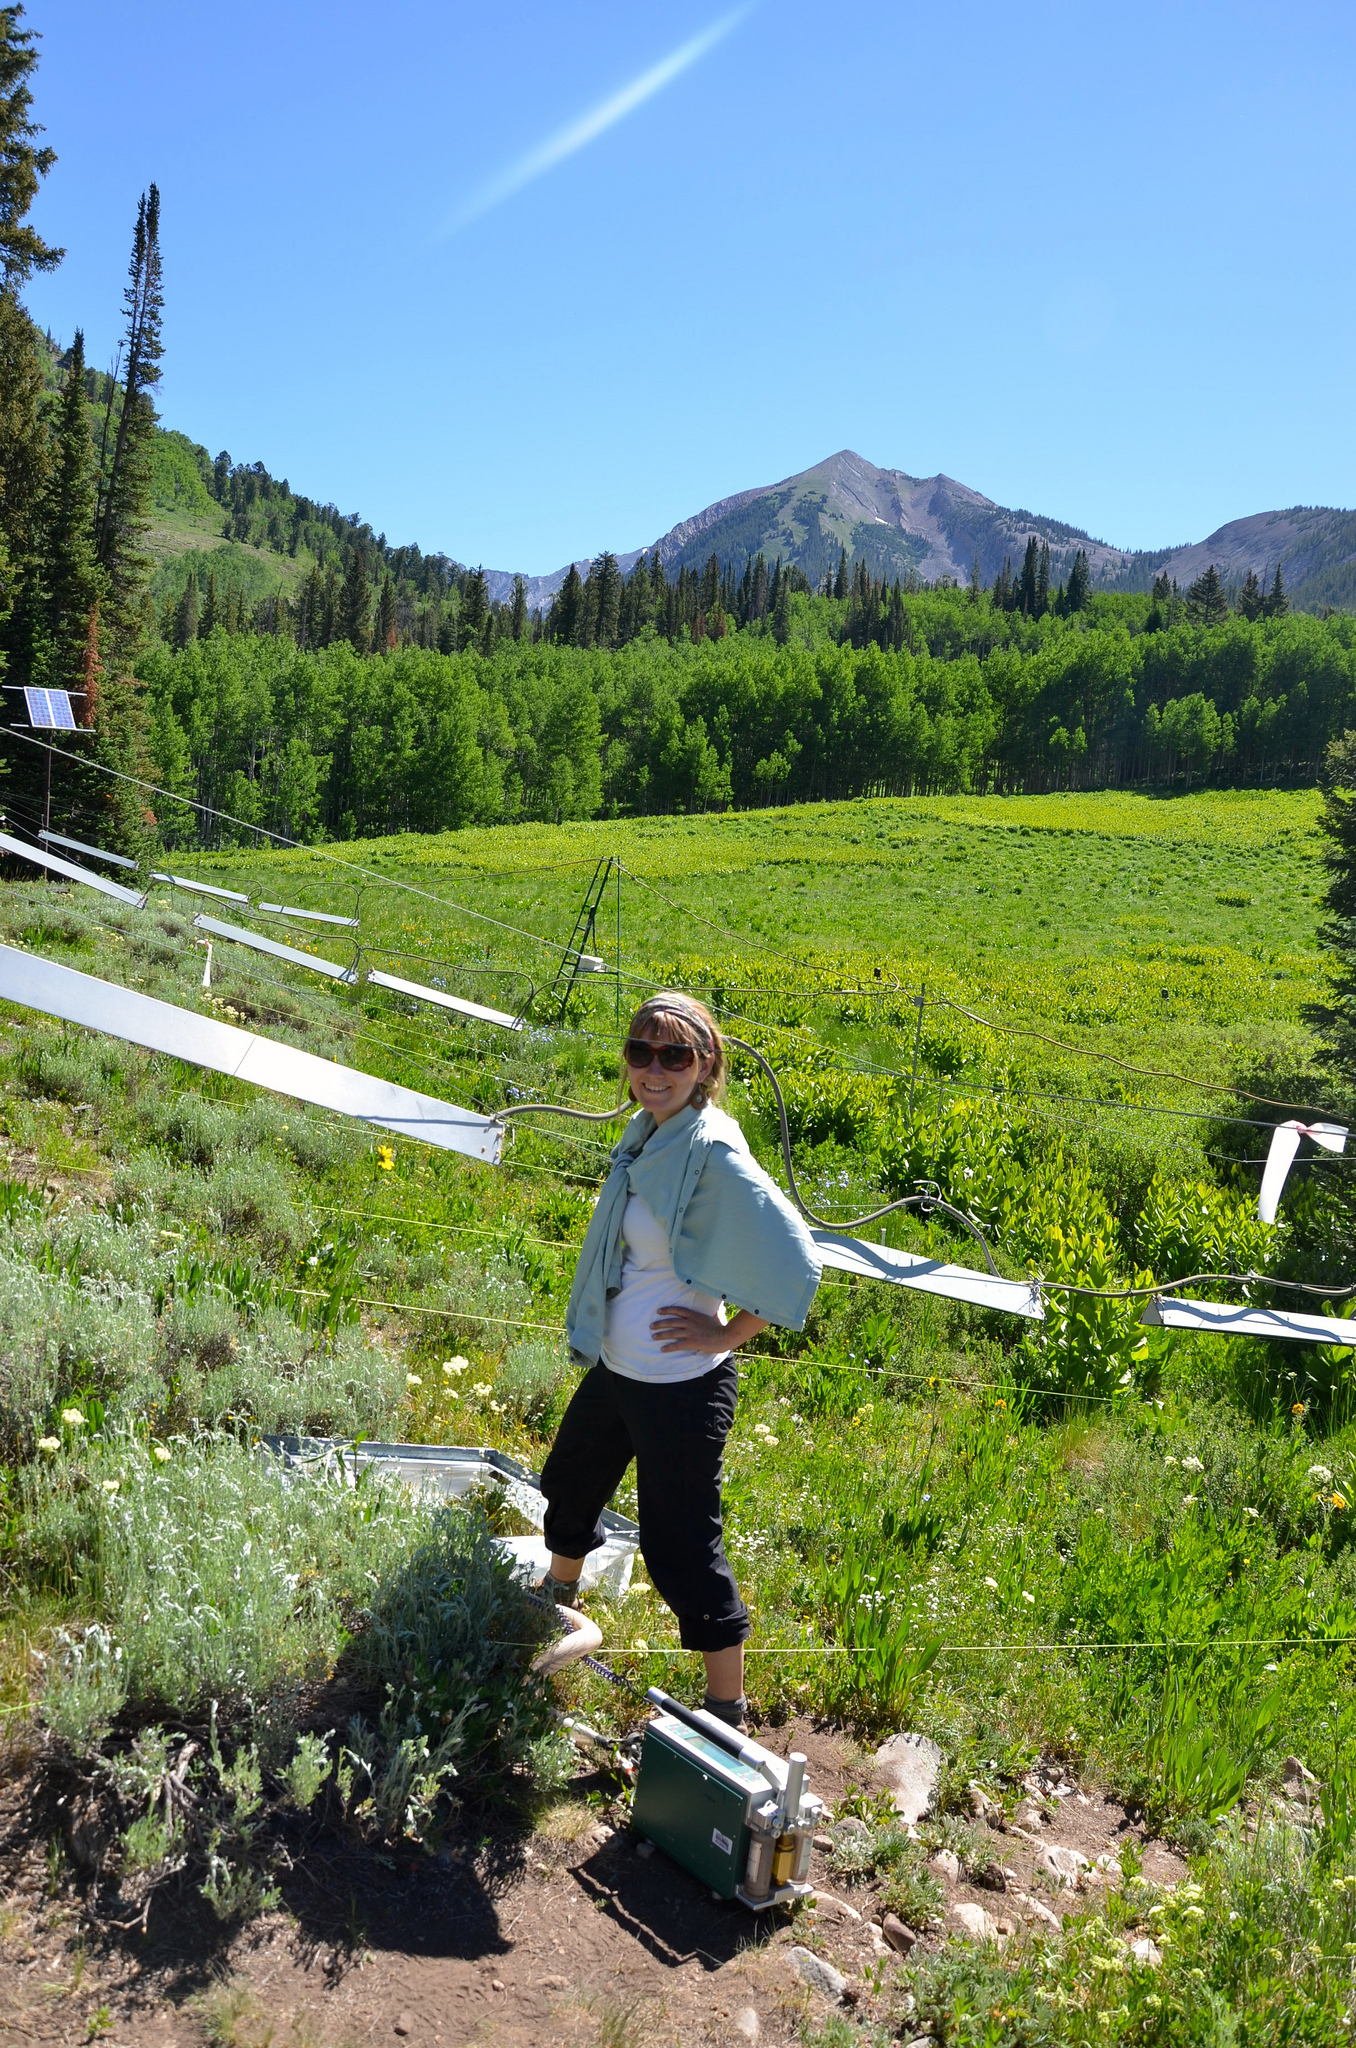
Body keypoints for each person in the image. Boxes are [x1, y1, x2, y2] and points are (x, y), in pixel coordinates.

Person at [538, 991, 822, 1730]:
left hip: (681, 1387)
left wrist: (725, 1337)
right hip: (620, 1368)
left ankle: (725, 1710)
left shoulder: (711, 1149)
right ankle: (551, 1614)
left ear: (706, 1066)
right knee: (570, 1485)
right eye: (641, 1052)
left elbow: (797, 1259)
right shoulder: (645, 1135)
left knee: (680, 1545)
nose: (654, 1068)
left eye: (675, 1055)